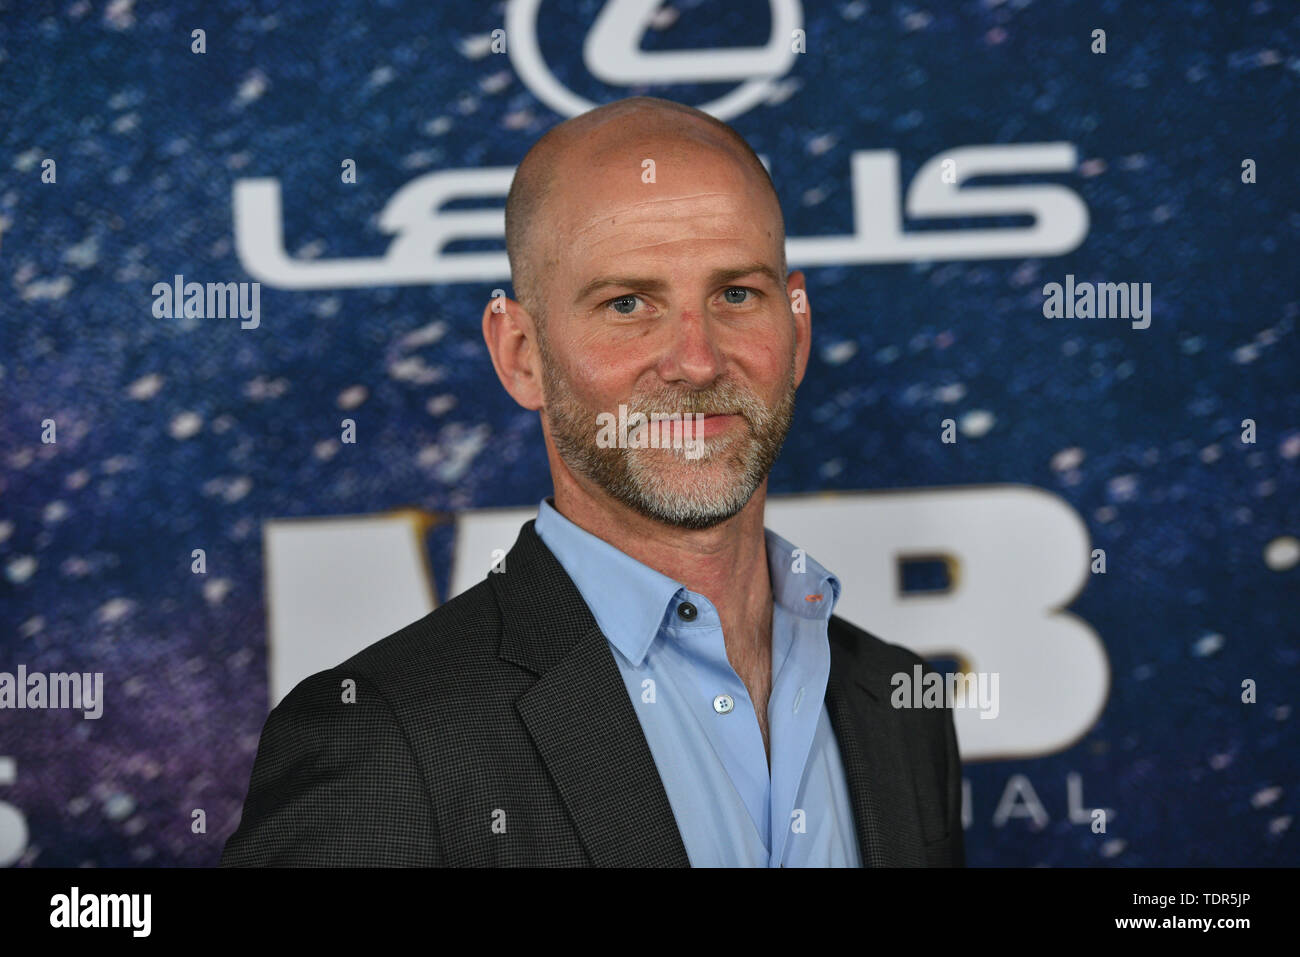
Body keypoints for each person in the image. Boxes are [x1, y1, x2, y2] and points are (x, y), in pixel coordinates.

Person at [221, 95, 963, 867]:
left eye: (736, 294)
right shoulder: (385, 739)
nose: (697, 360)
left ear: (798, 328)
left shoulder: (897, 699)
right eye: (628, 304)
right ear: (520, 354)